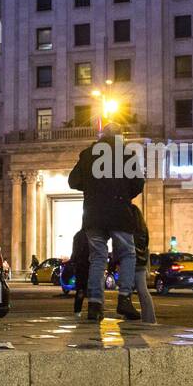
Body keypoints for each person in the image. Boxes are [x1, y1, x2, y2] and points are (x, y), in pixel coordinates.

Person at [68, 122, 143, 321]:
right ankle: (124, 299)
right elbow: (138, 184)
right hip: (120, 212)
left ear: (102, 135)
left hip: (93, 214)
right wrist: (123, 194)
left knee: (98, 258)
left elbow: (73, 181)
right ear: (121, 137)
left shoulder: (88, 154)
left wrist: (92, 189)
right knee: (127, 254)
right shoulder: (127, 154)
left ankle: (95, 304)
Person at [129, 204, 157, 324]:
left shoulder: (128, 229)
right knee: (142, 290)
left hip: (130, 261)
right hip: (141, 262)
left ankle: (129, 315)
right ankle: (149, 318)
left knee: (127, 291)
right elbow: (146, 245)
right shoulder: (143, 229)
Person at [70, 228, 90, 314]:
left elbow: (74, 252)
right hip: (89, 265)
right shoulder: (91, 235)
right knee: (92, 290)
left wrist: (74, 263)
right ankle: (93, 310)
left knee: (80, 290)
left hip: (80, 266)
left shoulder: (77, 235)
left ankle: (77, 310)